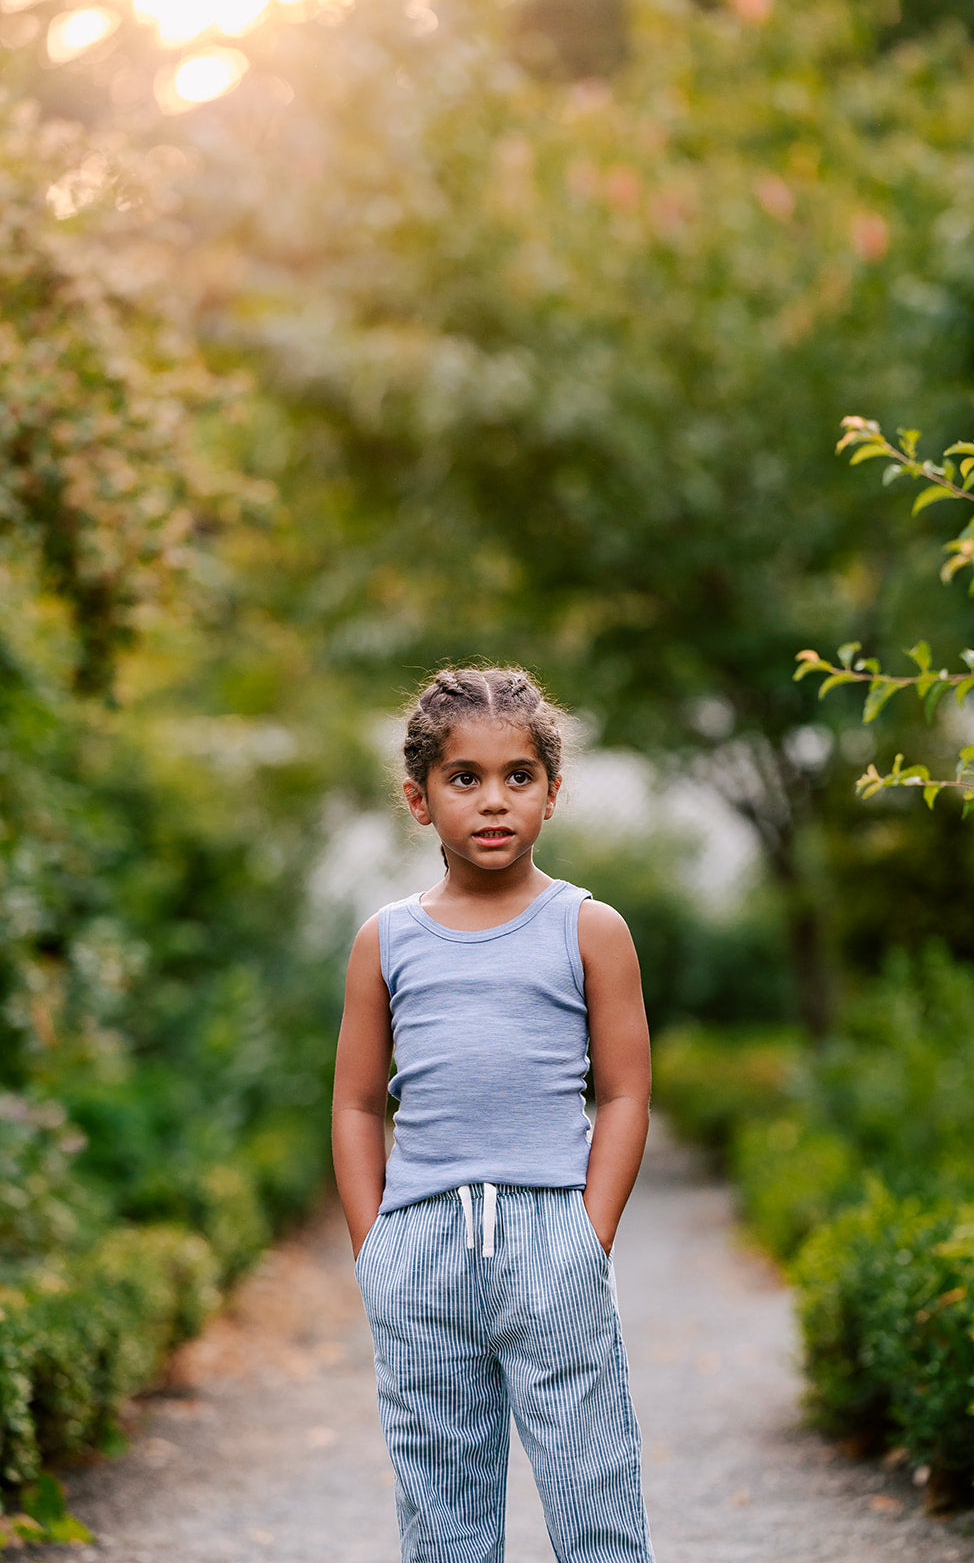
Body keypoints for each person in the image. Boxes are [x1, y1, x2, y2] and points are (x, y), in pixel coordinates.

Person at [332, 665, 656, 1563]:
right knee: (442, 1516)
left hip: (551, 1236)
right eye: (463, 778)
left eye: (518, 776)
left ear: (552, 793)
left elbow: (625, 1092)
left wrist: (587, 1233)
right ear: (419, 797)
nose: (493, 801)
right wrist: (376, 1246)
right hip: (421, 1250)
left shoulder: (587, 927)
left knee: (594, 1501)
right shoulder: (387, 939)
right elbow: (357, 1103)